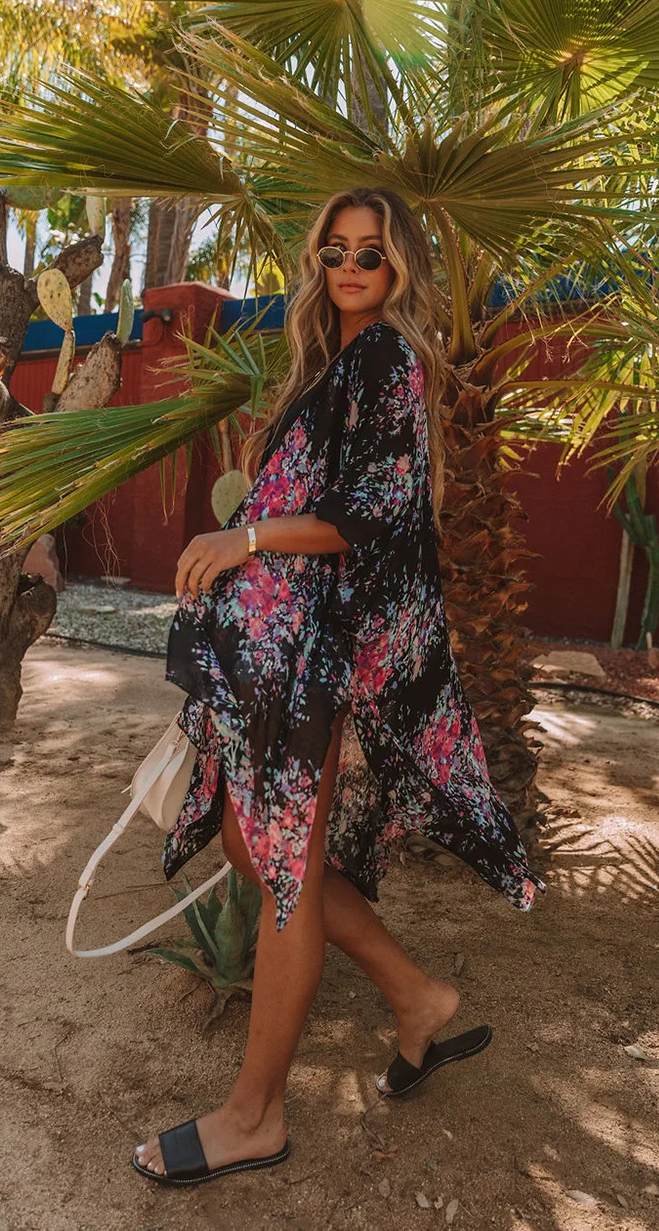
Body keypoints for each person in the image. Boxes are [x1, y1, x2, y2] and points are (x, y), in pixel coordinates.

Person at [133, 186, 546, 1187]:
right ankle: (417, 999)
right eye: (336, 251)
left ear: (399, 264)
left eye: (371, 251)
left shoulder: (388, 359)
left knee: (281, 864)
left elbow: (376, 517)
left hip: (327, 660)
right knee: (256, 846)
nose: (353, 266)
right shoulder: (337, 362)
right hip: (300, 656)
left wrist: (246, 537)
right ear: (318, 263)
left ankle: (254, 1116)